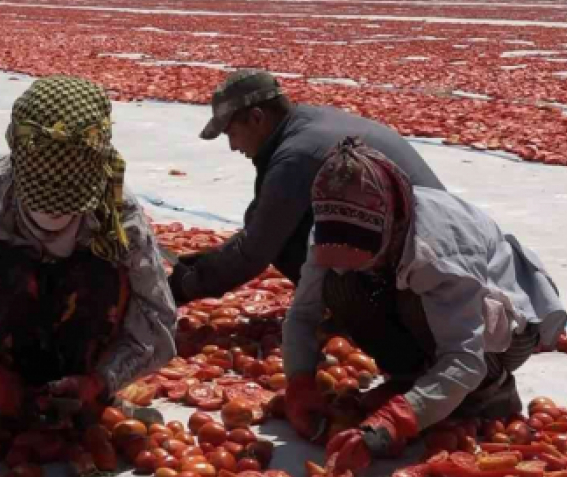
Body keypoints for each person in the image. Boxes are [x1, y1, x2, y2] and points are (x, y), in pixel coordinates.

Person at [0, 76, 176, 421]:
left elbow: (158, 318)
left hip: (87, 354)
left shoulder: (118, 214)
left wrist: (102, 380)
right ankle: (1, 397)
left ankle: (84, 398)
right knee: (4, 269)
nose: (54, 214)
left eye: (69, 202)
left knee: (100, 271)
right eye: (40, 198)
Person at [281, 138, 567, 471]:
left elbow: (464, 357)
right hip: (433, 306)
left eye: (365, 250)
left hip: (505, 333)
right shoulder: (334, 225)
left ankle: (490, 393)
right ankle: (417, 383)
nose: (354, 261)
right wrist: (298, 380)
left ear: (394, 222)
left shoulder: (439, 248)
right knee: (342, 286)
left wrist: (396, 420)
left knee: (415, 302)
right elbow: (303, 314)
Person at [168, 69, 444, 306]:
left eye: (231, 133)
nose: (233, 146)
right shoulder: (310, 122)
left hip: (431, 267)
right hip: (436, 244)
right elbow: (261, 221)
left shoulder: (297, 155)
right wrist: (204, 262)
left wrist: (181, 287)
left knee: (284, 239)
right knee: (279, 224)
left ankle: (370, 313)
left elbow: (256, 249)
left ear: (256, 118)